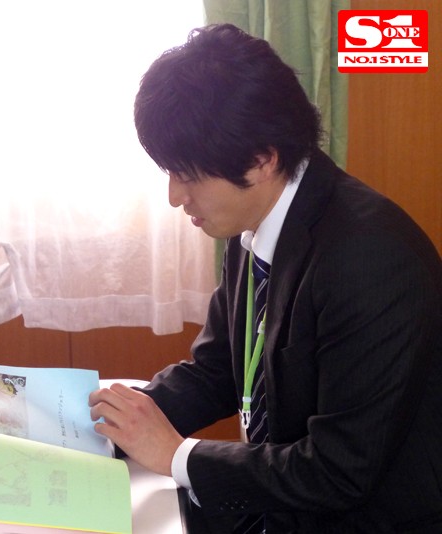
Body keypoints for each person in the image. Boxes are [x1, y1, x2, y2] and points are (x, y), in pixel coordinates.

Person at [89, 24, 442, 533]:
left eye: (188, 175)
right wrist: (102, 428)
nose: (175, 197)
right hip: (278, 498)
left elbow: (339, 470)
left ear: (261, 159)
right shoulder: (253, 220)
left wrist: (176, 455)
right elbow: (215, 371)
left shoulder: (370, 259)